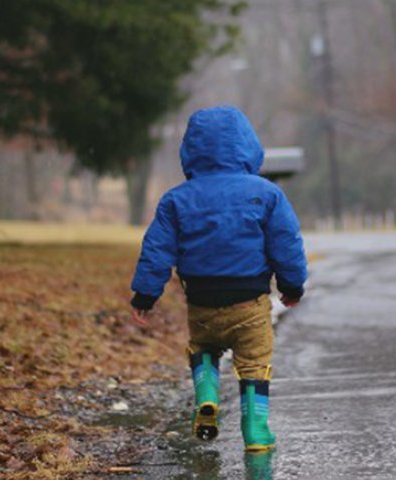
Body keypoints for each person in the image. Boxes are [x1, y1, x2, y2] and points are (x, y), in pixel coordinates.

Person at [129, 105, 307, 452]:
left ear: (191, 149)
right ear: (247, 145)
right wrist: (292, 286)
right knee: (254, 362)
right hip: (250, 303)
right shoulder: (266, 193)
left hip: (201, 302)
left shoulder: (176, 200)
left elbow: (157, 250)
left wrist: (144, 296)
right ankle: (255, 429)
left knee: (204, 349)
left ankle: (207, 394)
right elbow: (286, 244)